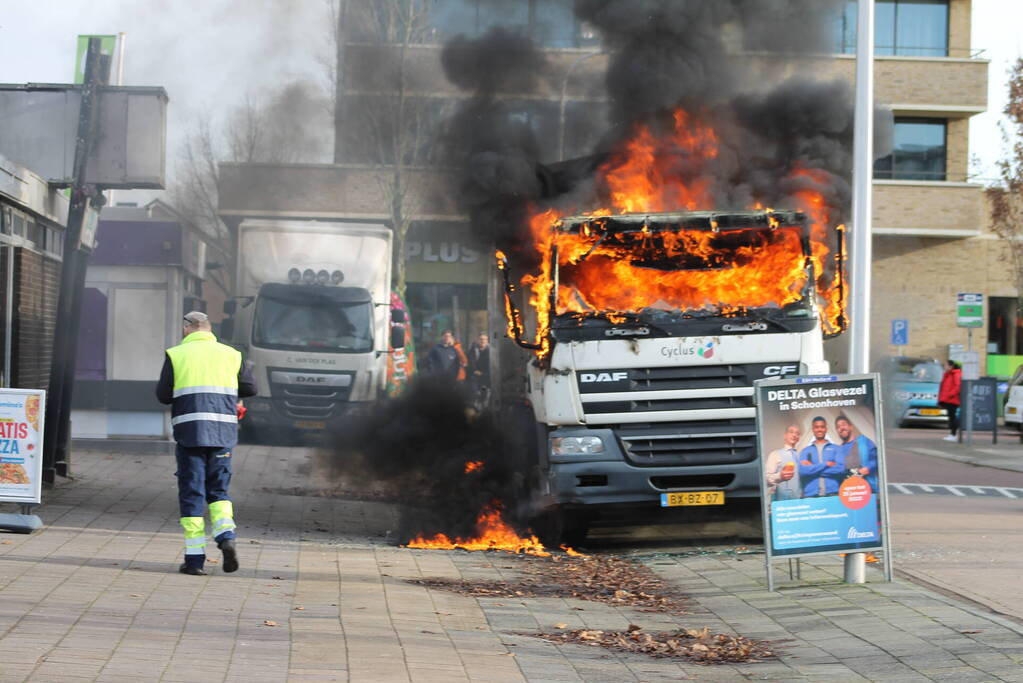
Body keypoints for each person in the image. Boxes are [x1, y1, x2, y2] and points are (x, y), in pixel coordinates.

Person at [156, 311, 257, 576]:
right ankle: (226, 537)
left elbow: (163, 395)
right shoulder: (232, 355)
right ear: (209, 329)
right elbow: (250, 388)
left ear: (187, 328)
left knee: (192, 493)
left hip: (190, 434)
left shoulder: (177, 354)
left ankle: (194, 560)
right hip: (222, 434)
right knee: (218, 491)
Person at [798, 416, 845, 497]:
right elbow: (803, 471)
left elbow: (840, 470)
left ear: (826, 429)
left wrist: (812, 469)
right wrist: (826, 464)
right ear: (813, 429)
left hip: (833, 493)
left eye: (822, 427)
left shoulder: (836, 448)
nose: (819, 429)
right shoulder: (805, 451)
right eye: (816, 427)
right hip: (811, 495)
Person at [835, 414, 878, 494]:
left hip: (868, 489)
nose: (841, 428)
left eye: (843, 424)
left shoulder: (864, 441)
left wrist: (868, 468)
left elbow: (878, 459)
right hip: (848, 492)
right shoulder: (838, 450)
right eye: (838, 427)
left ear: (850, 427)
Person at [764, 424, 802, 502]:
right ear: (785, 436)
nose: (794, 435)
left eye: (797, 433)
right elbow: (765, 480)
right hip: (782, 503)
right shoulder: (775, 454)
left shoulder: (801, 456)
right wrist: (780, 476)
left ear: (798, 438)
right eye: (791, 432)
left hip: (800, 502)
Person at [938, 360, 962, 442]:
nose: (944, 367)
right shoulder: (947, 374)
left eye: (945, 365)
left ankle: (953, 435)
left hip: (953, 400)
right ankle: (952, 434)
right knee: (951, 417)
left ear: (951, 366)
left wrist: (950, 395)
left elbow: (957, 386)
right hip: (948, 399)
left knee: (952, 417)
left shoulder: (955, 374)